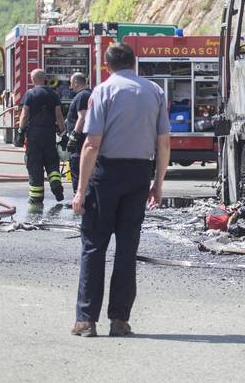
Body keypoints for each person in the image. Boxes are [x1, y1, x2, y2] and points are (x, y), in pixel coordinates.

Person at [71, 43, 170, 338]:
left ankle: (87, 321)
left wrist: (80, 190)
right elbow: (164, 142)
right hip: (139, 175)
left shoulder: (102, 91)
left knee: (94, 246)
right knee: (127, 251)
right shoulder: (155, 91)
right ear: (134, 62)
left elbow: (92, 143)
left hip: (106, 174)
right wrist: (158, 184)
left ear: (107, 65)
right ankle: (120, 320)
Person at [17, 68, 65, 205]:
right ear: (45, 79)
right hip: (49, 134)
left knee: (34, 165)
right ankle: (56, 186)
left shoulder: (30, 94)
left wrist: (20, 132)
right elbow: (59, 116)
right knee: (51, 162)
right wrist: (63, 133)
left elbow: (24, 115)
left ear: (32, 80)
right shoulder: (53, 94)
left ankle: (36, 198)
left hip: (34, 136)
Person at [64, 72, 92, 195]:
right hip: (86, 138)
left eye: (71, 83)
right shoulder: (88, 94)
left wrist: (74, 137)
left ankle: (79, 198)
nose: (70, 86)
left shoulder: (82, 96)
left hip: (80, 141)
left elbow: (82, 117)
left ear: (76, 82)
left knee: (77, 167)